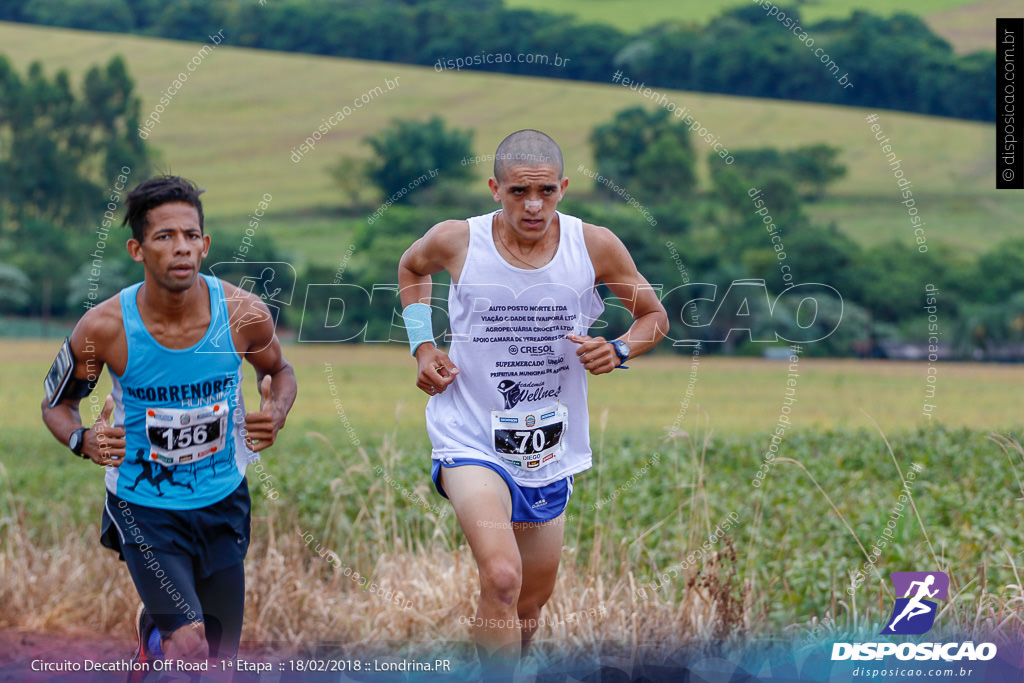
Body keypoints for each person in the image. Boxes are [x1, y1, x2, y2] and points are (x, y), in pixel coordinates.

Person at [398, 130, 668, 674]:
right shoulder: (457, 240)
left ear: (564, 188)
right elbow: (411, 268)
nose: (534, 205)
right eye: (519, 192)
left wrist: (617, 348)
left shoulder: (594, 246)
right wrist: (422, 346)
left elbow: (654, 318)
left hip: (546, 447)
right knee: (501, 577)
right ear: (495, 188)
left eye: (546, 190)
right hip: (469, 435)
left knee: (526, 609)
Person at [40, 175, 297, 674]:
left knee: (220, 659)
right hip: (144, 507)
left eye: (189, 235)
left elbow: (278, 371)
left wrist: (277, 412)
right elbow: (57, 404)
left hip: (223, 499)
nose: (180, 248)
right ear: (138, 249)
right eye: (164, 237)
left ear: (205, 244)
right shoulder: (105, 327)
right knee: (190, 644)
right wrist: (83, 439)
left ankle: (151, 638)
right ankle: (163, 635)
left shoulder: (243, 313)